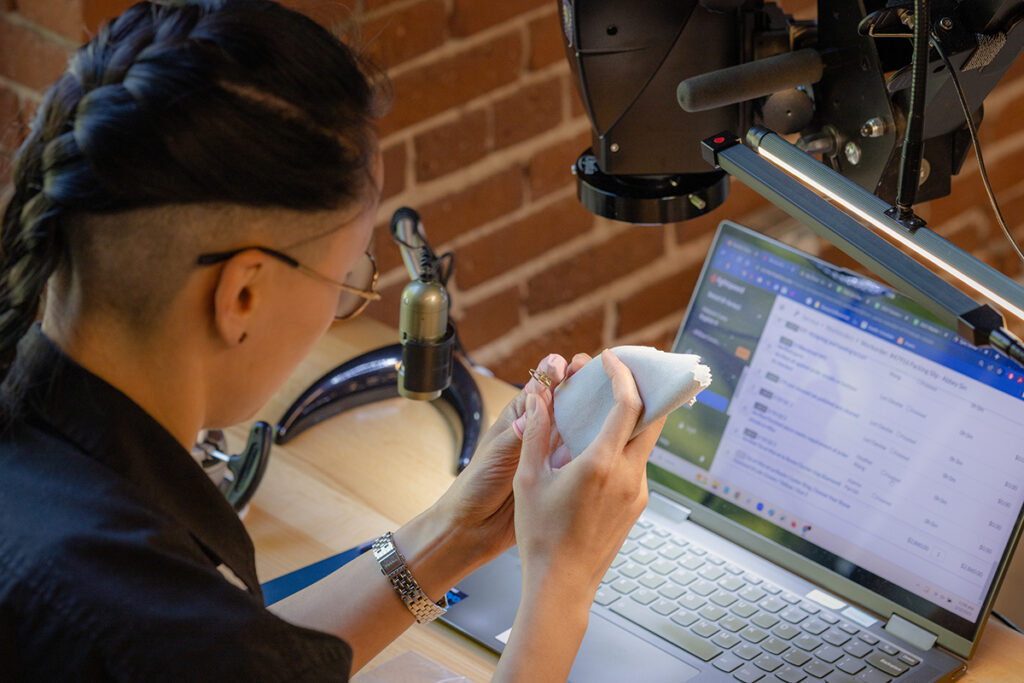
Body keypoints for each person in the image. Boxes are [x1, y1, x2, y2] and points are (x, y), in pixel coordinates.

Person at [0, 1, 665, 680]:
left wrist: (456, 532)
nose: (345, 302)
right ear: (242, 295)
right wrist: (563, 582)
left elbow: (261, 660)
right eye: (347, 276)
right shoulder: (149, 629)